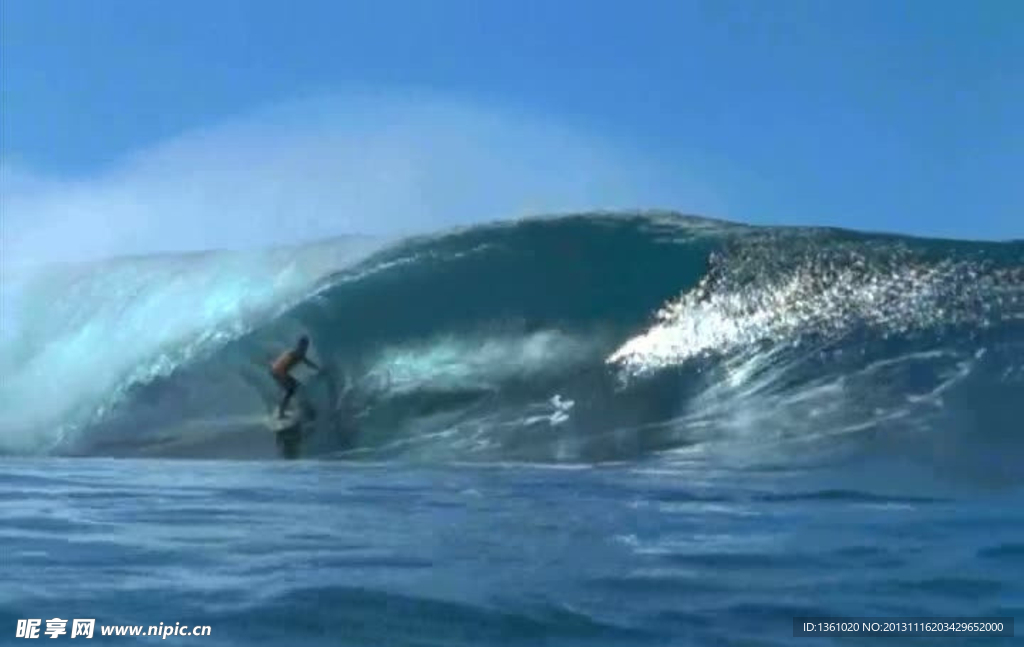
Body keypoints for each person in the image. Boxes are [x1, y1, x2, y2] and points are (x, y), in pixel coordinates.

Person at [270, 335, 321, 419]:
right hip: (278, 372)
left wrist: (318, 369)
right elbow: (305, 361)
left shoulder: (296, 352)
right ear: (300, 344)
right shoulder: (297, 352)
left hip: (278, 370)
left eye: (306, 345)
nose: (306, 347)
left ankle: (288, 405)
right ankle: (281, 413)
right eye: (304, 345)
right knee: (290, 390)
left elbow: (306, 362)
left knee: (295, 386)